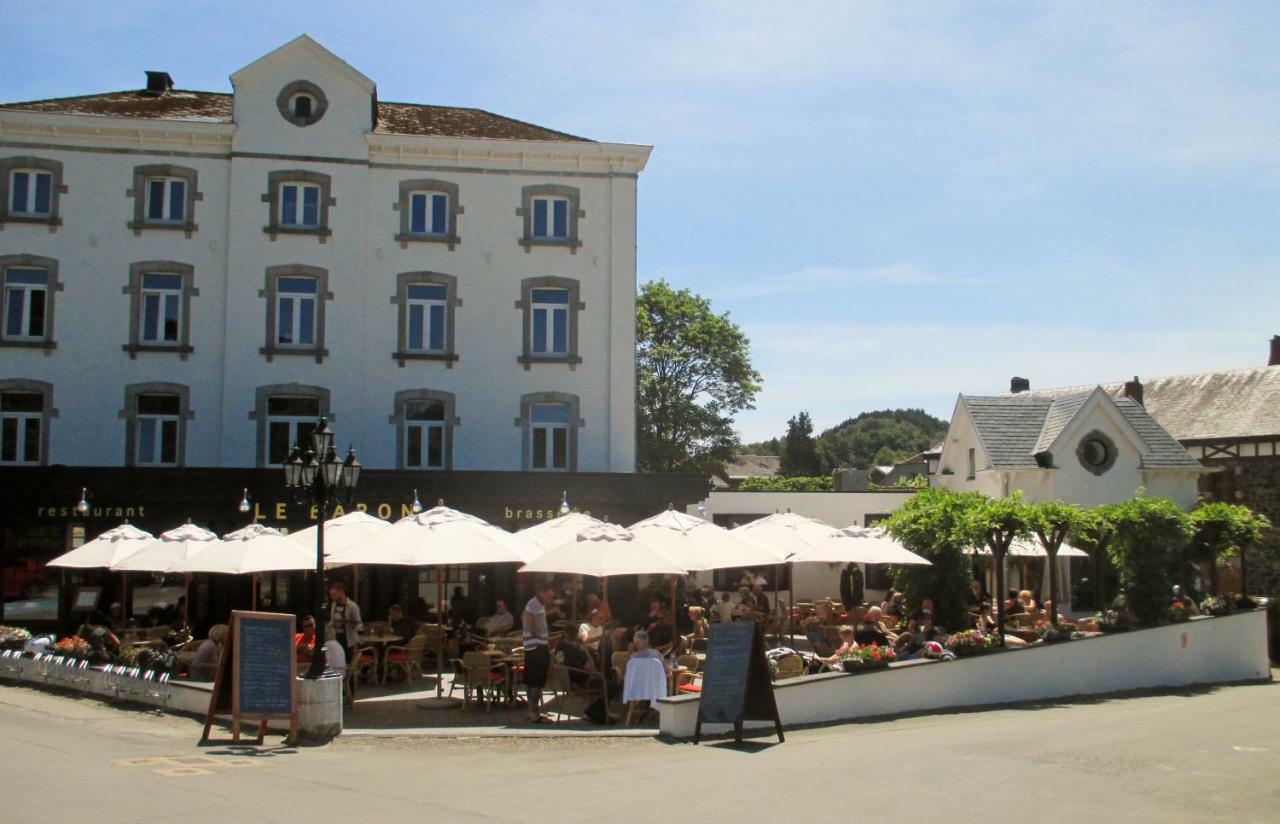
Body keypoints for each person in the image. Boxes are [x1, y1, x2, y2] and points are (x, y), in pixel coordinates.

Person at [522, 581, 555, 723]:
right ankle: (534, 712)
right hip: (537, 646)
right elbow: (527, 619)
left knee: (531, 681)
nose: (549, 599)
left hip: (532, 646)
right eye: (548, 596)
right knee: (537, 680)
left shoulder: (536, 604)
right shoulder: (534, 603)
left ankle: (531, 711)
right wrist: (537, 635)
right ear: (541, 592)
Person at [327, 581, 362, 660]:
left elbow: (359, 625)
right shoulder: (334, 605)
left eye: (334, 595)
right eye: (331, 595)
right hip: (336, 638)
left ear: (341, 592)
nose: (332, 597)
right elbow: (332, 621)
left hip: (348, 640)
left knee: (347, 661)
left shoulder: (352, 606)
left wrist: (348, 622)